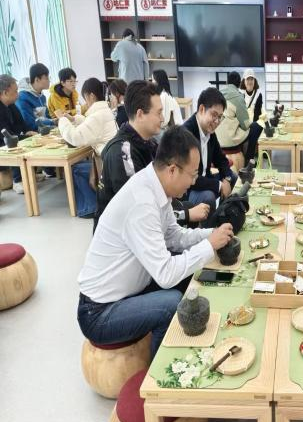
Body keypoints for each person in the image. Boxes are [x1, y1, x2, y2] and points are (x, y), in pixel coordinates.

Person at [77, 126, 234, 358]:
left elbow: (175, 237)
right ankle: (161, 373)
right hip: (100, 311)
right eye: (192, 175)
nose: (193, 182)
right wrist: (209, 245)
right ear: (172, 170)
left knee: (191, 276)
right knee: (170, 303)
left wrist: (211, 234)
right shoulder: (142, 203)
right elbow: (165, 274)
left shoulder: (157, 187)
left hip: (131, 290)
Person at [95, 80, 208, 228]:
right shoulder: (123, 154)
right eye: (159, 113)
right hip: (125, 230)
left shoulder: (149, 143)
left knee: (193, 206)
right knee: (191, 212)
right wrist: (185, 214)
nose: (163, 118)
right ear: (140, 114)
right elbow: (140, 210)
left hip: (146, 214)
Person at [56, 78, 117, 218]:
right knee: (81, 166)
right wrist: (73, 119)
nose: (85, 103)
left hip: (106, 164)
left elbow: (75, 138)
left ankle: (90, 207)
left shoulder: (97, 116)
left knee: (76, 169)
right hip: (111, 160)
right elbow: (90, 124)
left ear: (91, 96)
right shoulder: (105, 111)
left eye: (85, 98)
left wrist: (62, 119)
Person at [183, 87, 237, 211]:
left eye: (220, 117)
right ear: (202, 109)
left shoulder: (209, 132)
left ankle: (221, 213)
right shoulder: (186, 134)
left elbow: (221, 160)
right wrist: (220, 185)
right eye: (214, 115)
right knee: (208, 197)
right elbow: (190, 178)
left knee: (233, 177)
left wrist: (227, 179)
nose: (217, 121)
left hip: (205, 180)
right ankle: (211, 223)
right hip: (189, 188)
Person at [0, 75, 39, 194]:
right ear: (5, 92)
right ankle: (17, 180)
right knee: (15, 144)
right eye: (15, 91)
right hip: (3, 143)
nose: (18, 94)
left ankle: (29, 174)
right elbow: (5, 134)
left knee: (32, 139)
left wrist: (28, 132)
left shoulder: (11, 104)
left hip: (11, 138)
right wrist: (25, 136)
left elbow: (21, 124)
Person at [217, 71, 262, 162]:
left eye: (251, 79)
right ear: (241, 82)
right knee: (255, 126)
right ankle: (249, 160)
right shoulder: (238, 96)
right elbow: (245, 125)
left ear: (227, 82)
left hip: (217, 137)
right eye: (248, 79)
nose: (250, 82)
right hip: (230, 139)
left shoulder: (218, 94)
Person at [16, 63, 54, 132]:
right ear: (37, 80)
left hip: (45, 131)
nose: (49, 81)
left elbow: (47, 117)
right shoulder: (22, 97)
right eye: (46, 78)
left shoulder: (42, 97)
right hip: (34, 134)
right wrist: (52, 122)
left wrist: (54, 120)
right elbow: (30, 124)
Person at [152, 69, 183, 134]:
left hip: (174, 131)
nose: (152, 82)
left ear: (158, 81)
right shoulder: (164, 94)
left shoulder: (163, 96)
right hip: (171, 129)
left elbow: (164, 121)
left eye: (153, 80)